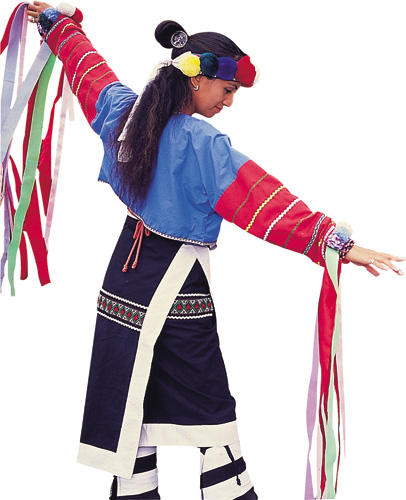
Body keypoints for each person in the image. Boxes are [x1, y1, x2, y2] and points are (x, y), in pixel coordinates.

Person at [24, 2, 404, 499]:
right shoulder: (202, 144)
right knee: (210, 410)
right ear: (197, 79)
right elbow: (262, 200)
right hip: (177, 286)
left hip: (124, 286)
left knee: (133, 403)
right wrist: (334, 242)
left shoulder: (125, 112)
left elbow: (88, 70)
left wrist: (56, 26)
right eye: (227, 90)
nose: (229, 101)